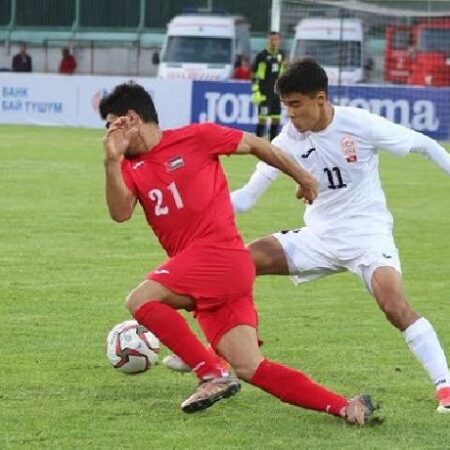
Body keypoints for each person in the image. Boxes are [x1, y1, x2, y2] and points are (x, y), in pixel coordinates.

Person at [99, 81, 379, 424]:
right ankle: (344, 406)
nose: (109, 133)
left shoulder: (197, 137)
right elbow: (120, 213)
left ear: (131, 119)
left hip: (219, 256)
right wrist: (111, 162)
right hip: (210, 273)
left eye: (111, 123)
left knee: (140, 300)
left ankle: (209, 370)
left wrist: (303, 177)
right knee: (250, 366)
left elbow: (258, 145)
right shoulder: (128, 166)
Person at [231, 59, 450, 414]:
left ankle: (446, 386)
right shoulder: (286, 140)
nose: (290, 115)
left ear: (320, 99)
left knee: (393, 304)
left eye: (296, 105)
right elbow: (248, 196)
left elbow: (424, 144)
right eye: (286, 106)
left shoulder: (358, 124)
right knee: (237, 262)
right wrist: (206, 207)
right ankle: (208, 354)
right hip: (318, 237)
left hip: (367, 234)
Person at [251, 31, 286, 141]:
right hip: (264, 93)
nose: (273, 42)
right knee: (263, 120)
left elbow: (283, 73)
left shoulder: (281, 55)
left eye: (276, 40)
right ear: (267, 41)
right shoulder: (262, 56)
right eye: (271, 40)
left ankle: (273, 145)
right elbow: (256, 75)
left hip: (276, 94)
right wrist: (256, 91)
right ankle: (257, 145)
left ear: (279, 41)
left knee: (276, 119)